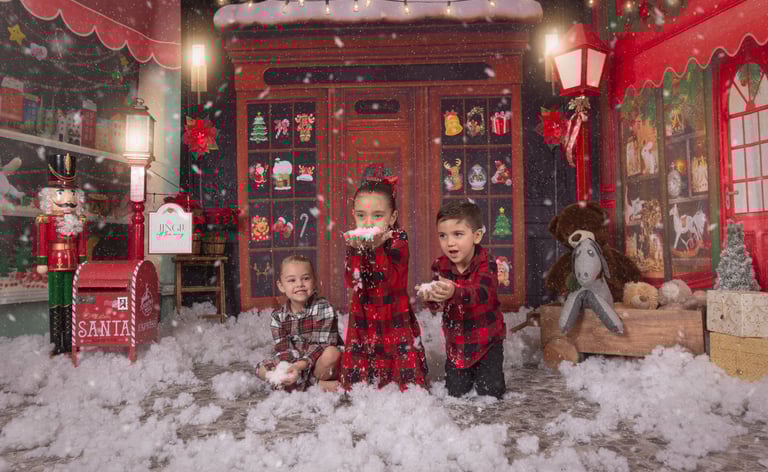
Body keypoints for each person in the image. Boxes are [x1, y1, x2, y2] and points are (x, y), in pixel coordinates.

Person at [340, 167, 427, 391]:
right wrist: (356, 253)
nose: (368, 223)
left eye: (377, 216)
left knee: (402, 381)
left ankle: (399, 383)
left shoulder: (399, 240)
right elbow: (352, 281)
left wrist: (377, 249)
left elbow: (390, 282)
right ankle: (362, 386)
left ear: (392, 217)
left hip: (392, 313)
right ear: (354, 215)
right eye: (361, 215)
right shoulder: (355, 241)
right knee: (361, 381)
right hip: (363, 313)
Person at [418, 200, 506, 399]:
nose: (449, 243)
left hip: (486, 340)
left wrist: (454, 292)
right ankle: (463, 378)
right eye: (443, 235)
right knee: (456, 392)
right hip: (457, 342)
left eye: (458, 234)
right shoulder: (441, 266)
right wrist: (431, 296)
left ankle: (489, 379)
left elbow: (481, 293)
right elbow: (439, 301)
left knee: (491, 392)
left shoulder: (487, 264)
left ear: (476, 236)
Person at [257, 255, 342, 392]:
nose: (299, 284)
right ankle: (314, 385)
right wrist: (287, 367)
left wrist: (299, 366)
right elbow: (284, 349)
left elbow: (322, 345)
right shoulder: (278, 317)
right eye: (292, 280)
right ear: (281, 286)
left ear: (314, 281)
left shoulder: (324, 308)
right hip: (294, 360)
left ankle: (298, 384)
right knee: (262, 368)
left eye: (306, 278)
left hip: (318, 363)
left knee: (332, 353)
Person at [36, 153, 87, 356]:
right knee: (56, 299)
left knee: (70, 300)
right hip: (54, 264)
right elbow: (41, 243)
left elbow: (82, 244)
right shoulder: (45, 220)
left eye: (72, 192)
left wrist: (83, 262)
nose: (68, 199)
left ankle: (69, 341)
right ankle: (56, 341)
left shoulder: (79, 220)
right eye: (60, 192)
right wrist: (42, 261)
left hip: (73, 264)